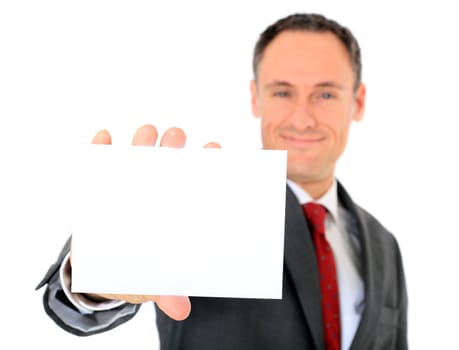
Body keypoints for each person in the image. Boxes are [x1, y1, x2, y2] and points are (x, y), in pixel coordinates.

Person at [36, 13, 408, 350]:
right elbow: (69, 307)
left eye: (325, 94)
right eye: (282, 92)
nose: (303, 118)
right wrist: (97, 277)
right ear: (255, 99)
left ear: (358, 102)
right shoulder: (203, 203)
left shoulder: (383, 245)